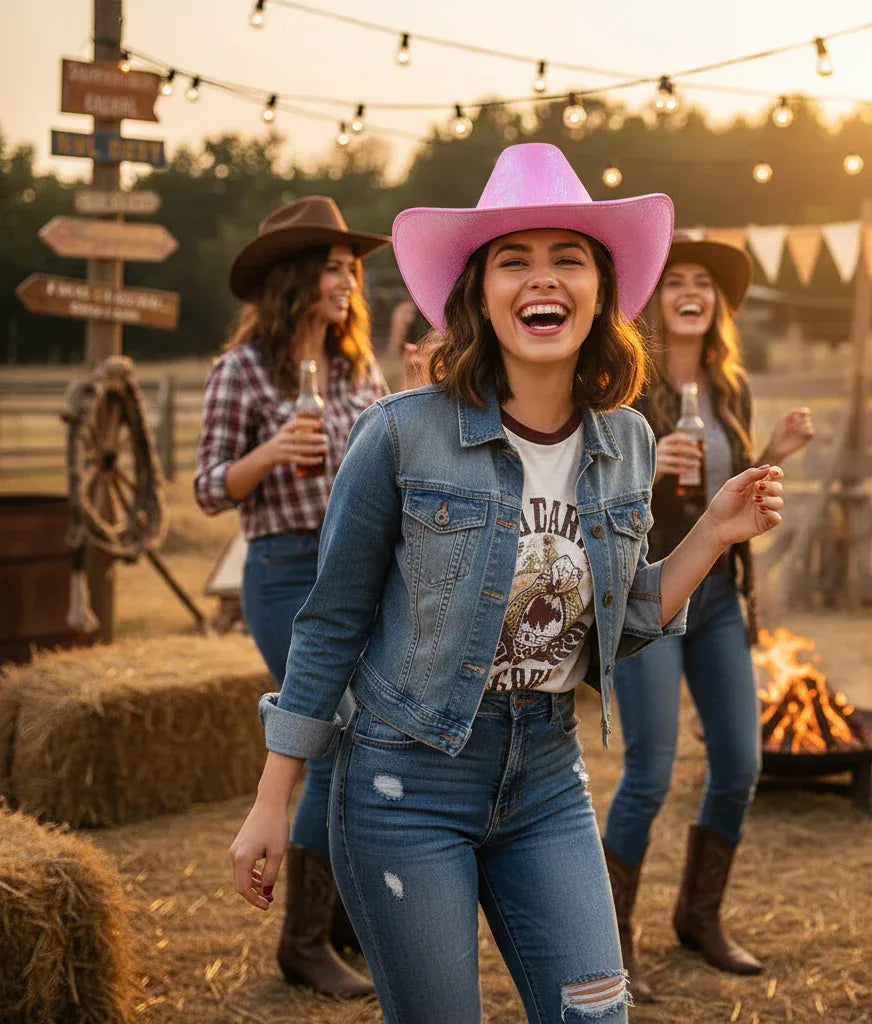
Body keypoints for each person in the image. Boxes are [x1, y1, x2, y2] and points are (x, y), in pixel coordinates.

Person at [228, 143, 785, 1024]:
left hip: (547, 779)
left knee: (596, 1014)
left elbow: (627, 620)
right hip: (404, 783)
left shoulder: (627, 442)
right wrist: (272, 798)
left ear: (600, 289)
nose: (543, 280)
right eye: (513, 261)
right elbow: (330, 622)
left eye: (568, 258)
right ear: (479, 295)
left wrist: (713, 532)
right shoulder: (402, 434)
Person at [600, 236, 814, 997]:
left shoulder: (730, 385)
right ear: (654, 302)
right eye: (675, 281)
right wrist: (646, 466)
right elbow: (593, 490)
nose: (691, 291)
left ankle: (699, 918)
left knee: (740, 765)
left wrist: (773, 451)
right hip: (651, 593)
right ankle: (609, 944)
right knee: (651, 771)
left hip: (721, 599)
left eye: (704, 284)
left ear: (717, 306)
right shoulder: (620, 385)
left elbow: (727, 494)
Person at [195, 195, 389, 999]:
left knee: (369, 737)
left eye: (352, 269)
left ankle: (338, 918)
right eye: (335, 268)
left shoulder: (355, 370)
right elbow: (209, 488)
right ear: (296, 279)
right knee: (328, 736)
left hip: (359, 569)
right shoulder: (239, 372)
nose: (349, 282)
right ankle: (303, 941)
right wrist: (272, 450)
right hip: (280, 570)